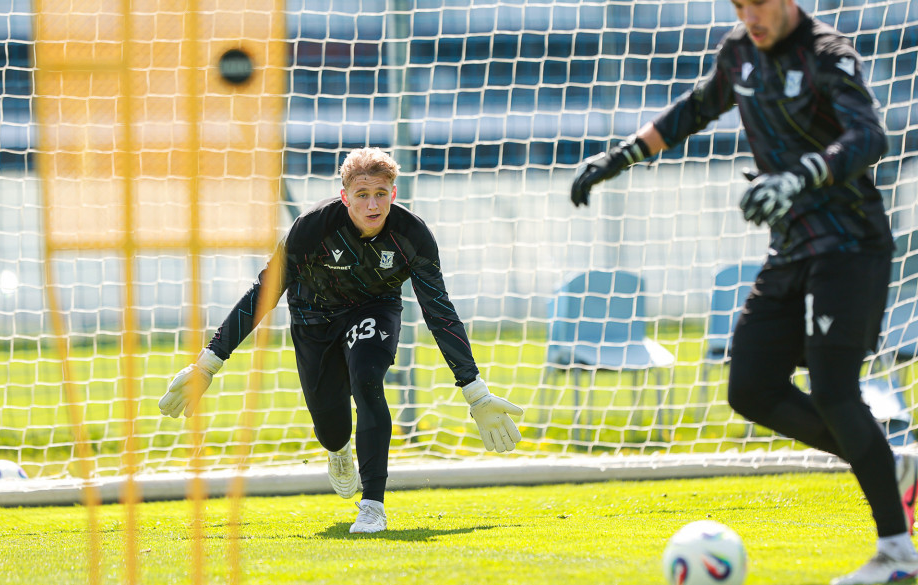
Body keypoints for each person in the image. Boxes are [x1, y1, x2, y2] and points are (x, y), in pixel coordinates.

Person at [570, 1, 917, 583]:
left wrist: (797, 177)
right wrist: (620, 156)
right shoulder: (738, 52)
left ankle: (898, 554)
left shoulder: (828, 55)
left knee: (835, 391)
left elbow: (869, 137)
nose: (749, 15)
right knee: (751, 388)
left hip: (850, 247)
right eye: (738, 4)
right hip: (790, 250)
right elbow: (695, 109)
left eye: (758, 3)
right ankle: (889, 464)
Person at [160, 147, 523, 534]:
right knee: (331, 428)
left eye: (380, 194)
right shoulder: (312, 227)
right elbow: (263, 292)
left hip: (374, 309)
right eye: (362, 194)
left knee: (367, 379)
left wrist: (474, 391)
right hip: (312, 318)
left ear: (393, 194)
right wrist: (208, 364)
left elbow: (440, 311)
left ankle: (373, 505)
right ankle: (338, 450)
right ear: (345, 196)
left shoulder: (412, 235)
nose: (372, 205)